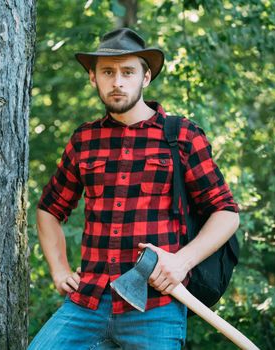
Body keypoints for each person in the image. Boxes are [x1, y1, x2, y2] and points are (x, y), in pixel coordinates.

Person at [29, 28, 240, 349]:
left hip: (156, 309)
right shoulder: (85, 141)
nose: (117, 81)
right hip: (87, 302)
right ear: (93, 78)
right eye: (108, 72)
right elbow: (49, 210)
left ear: (146, 78)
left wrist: (181, 262)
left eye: (128, 72)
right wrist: (59, 271)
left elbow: (225, 213)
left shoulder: (180, 136)